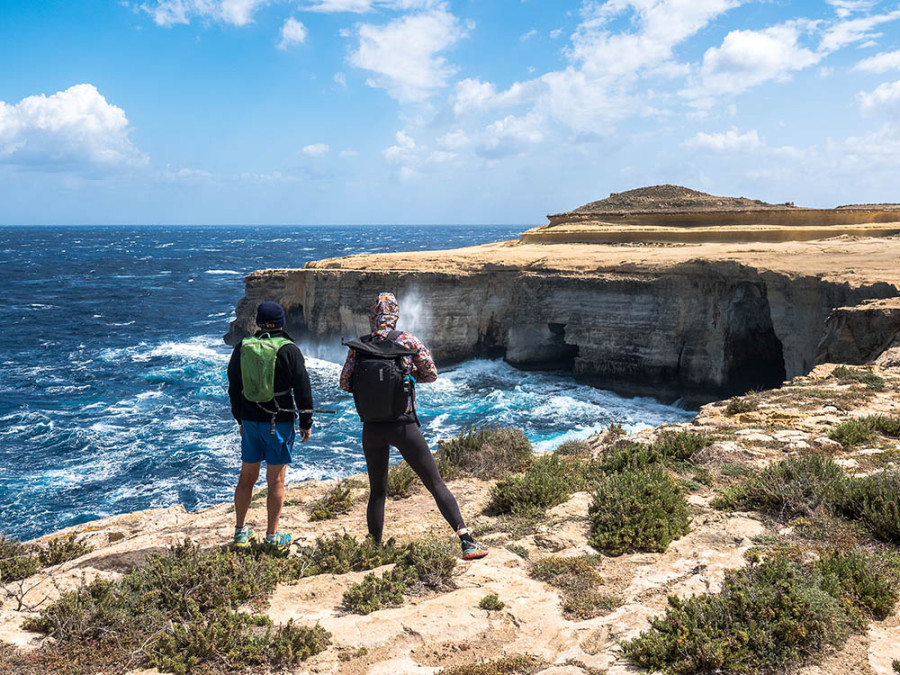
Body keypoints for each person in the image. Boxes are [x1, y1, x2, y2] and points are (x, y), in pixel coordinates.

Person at [340, 292, 488, 560]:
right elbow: (431, 374)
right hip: (404, 424)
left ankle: (374, 550)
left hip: (371, 427)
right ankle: (466, 541)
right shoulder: (407, 340)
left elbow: (345, 383)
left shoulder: (359, 345)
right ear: (395, 315)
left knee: (377, 491)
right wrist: (406, 378)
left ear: (373, 316)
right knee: (435, 483)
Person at [227, 301, 313, 550]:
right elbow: (303, 389)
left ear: (257, 321)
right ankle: (272, 538)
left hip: (251, 423)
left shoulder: (243, 347)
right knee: (275, 481)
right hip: (280, 423)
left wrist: (240, 418)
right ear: (281, 323)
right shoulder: (289, 349)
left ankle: (240, 533)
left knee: (246, 478)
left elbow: (234, 386)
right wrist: (306, 421)